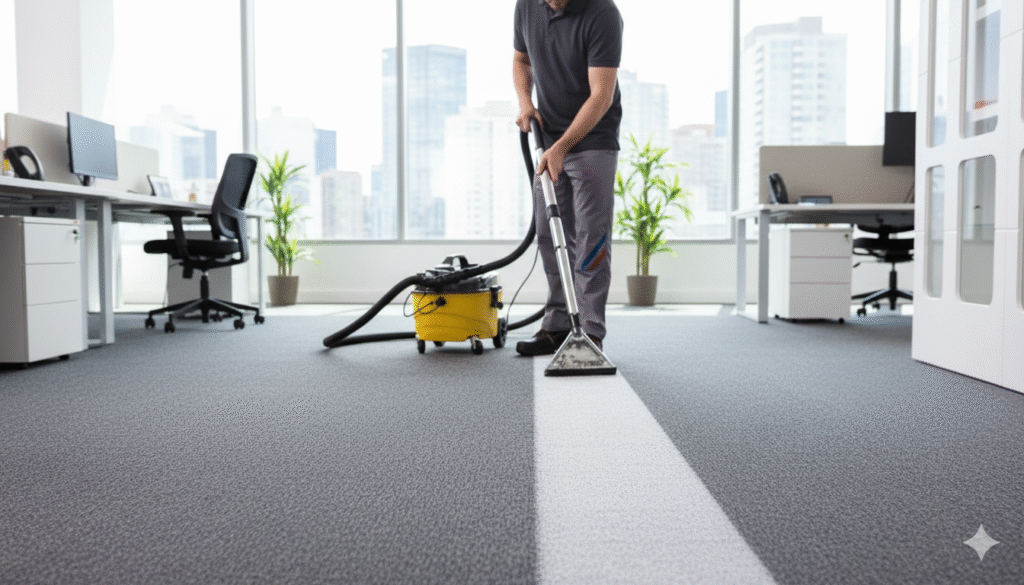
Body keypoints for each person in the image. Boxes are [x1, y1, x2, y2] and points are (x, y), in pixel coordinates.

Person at [512, 0, 624, 356]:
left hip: (593, 142)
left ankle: (590, 335)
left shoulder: (602, 13)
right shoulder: (527, 5)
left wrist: (562, 147)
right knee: (549, 236)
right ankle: (558, 326)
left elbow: (601, 95)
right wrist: (525, 102)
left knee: (590, 242)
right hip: (548, 142)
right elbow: (521, 59)